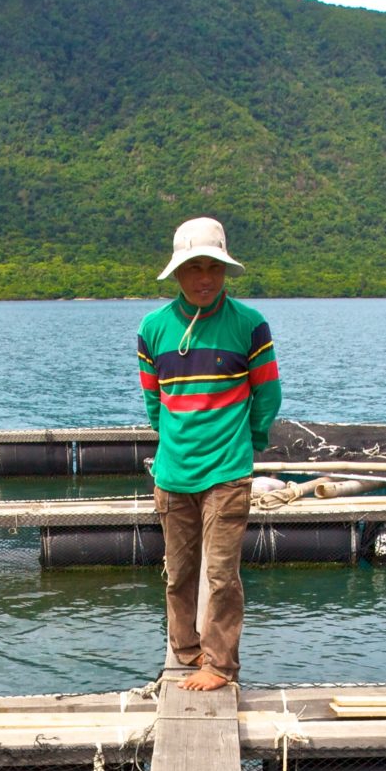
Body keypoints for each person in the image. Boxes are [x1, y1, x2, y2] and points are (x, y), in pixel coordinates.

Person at [136, 217, 281, 692]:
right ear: (177, 273)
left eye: (213, 268)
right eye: (194, 268)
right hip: (173, 472)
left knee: (221, 576)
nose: (204, 278)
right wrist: (173, 440)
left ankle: (219, 665)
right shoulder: (153, 330)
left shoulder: (249, 326)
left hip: (227, 470)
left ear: (225, 271)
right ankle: (184, 649)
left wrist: (248, 441)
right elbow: (153, 402)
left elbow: (268, 397)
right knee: (178, 574)